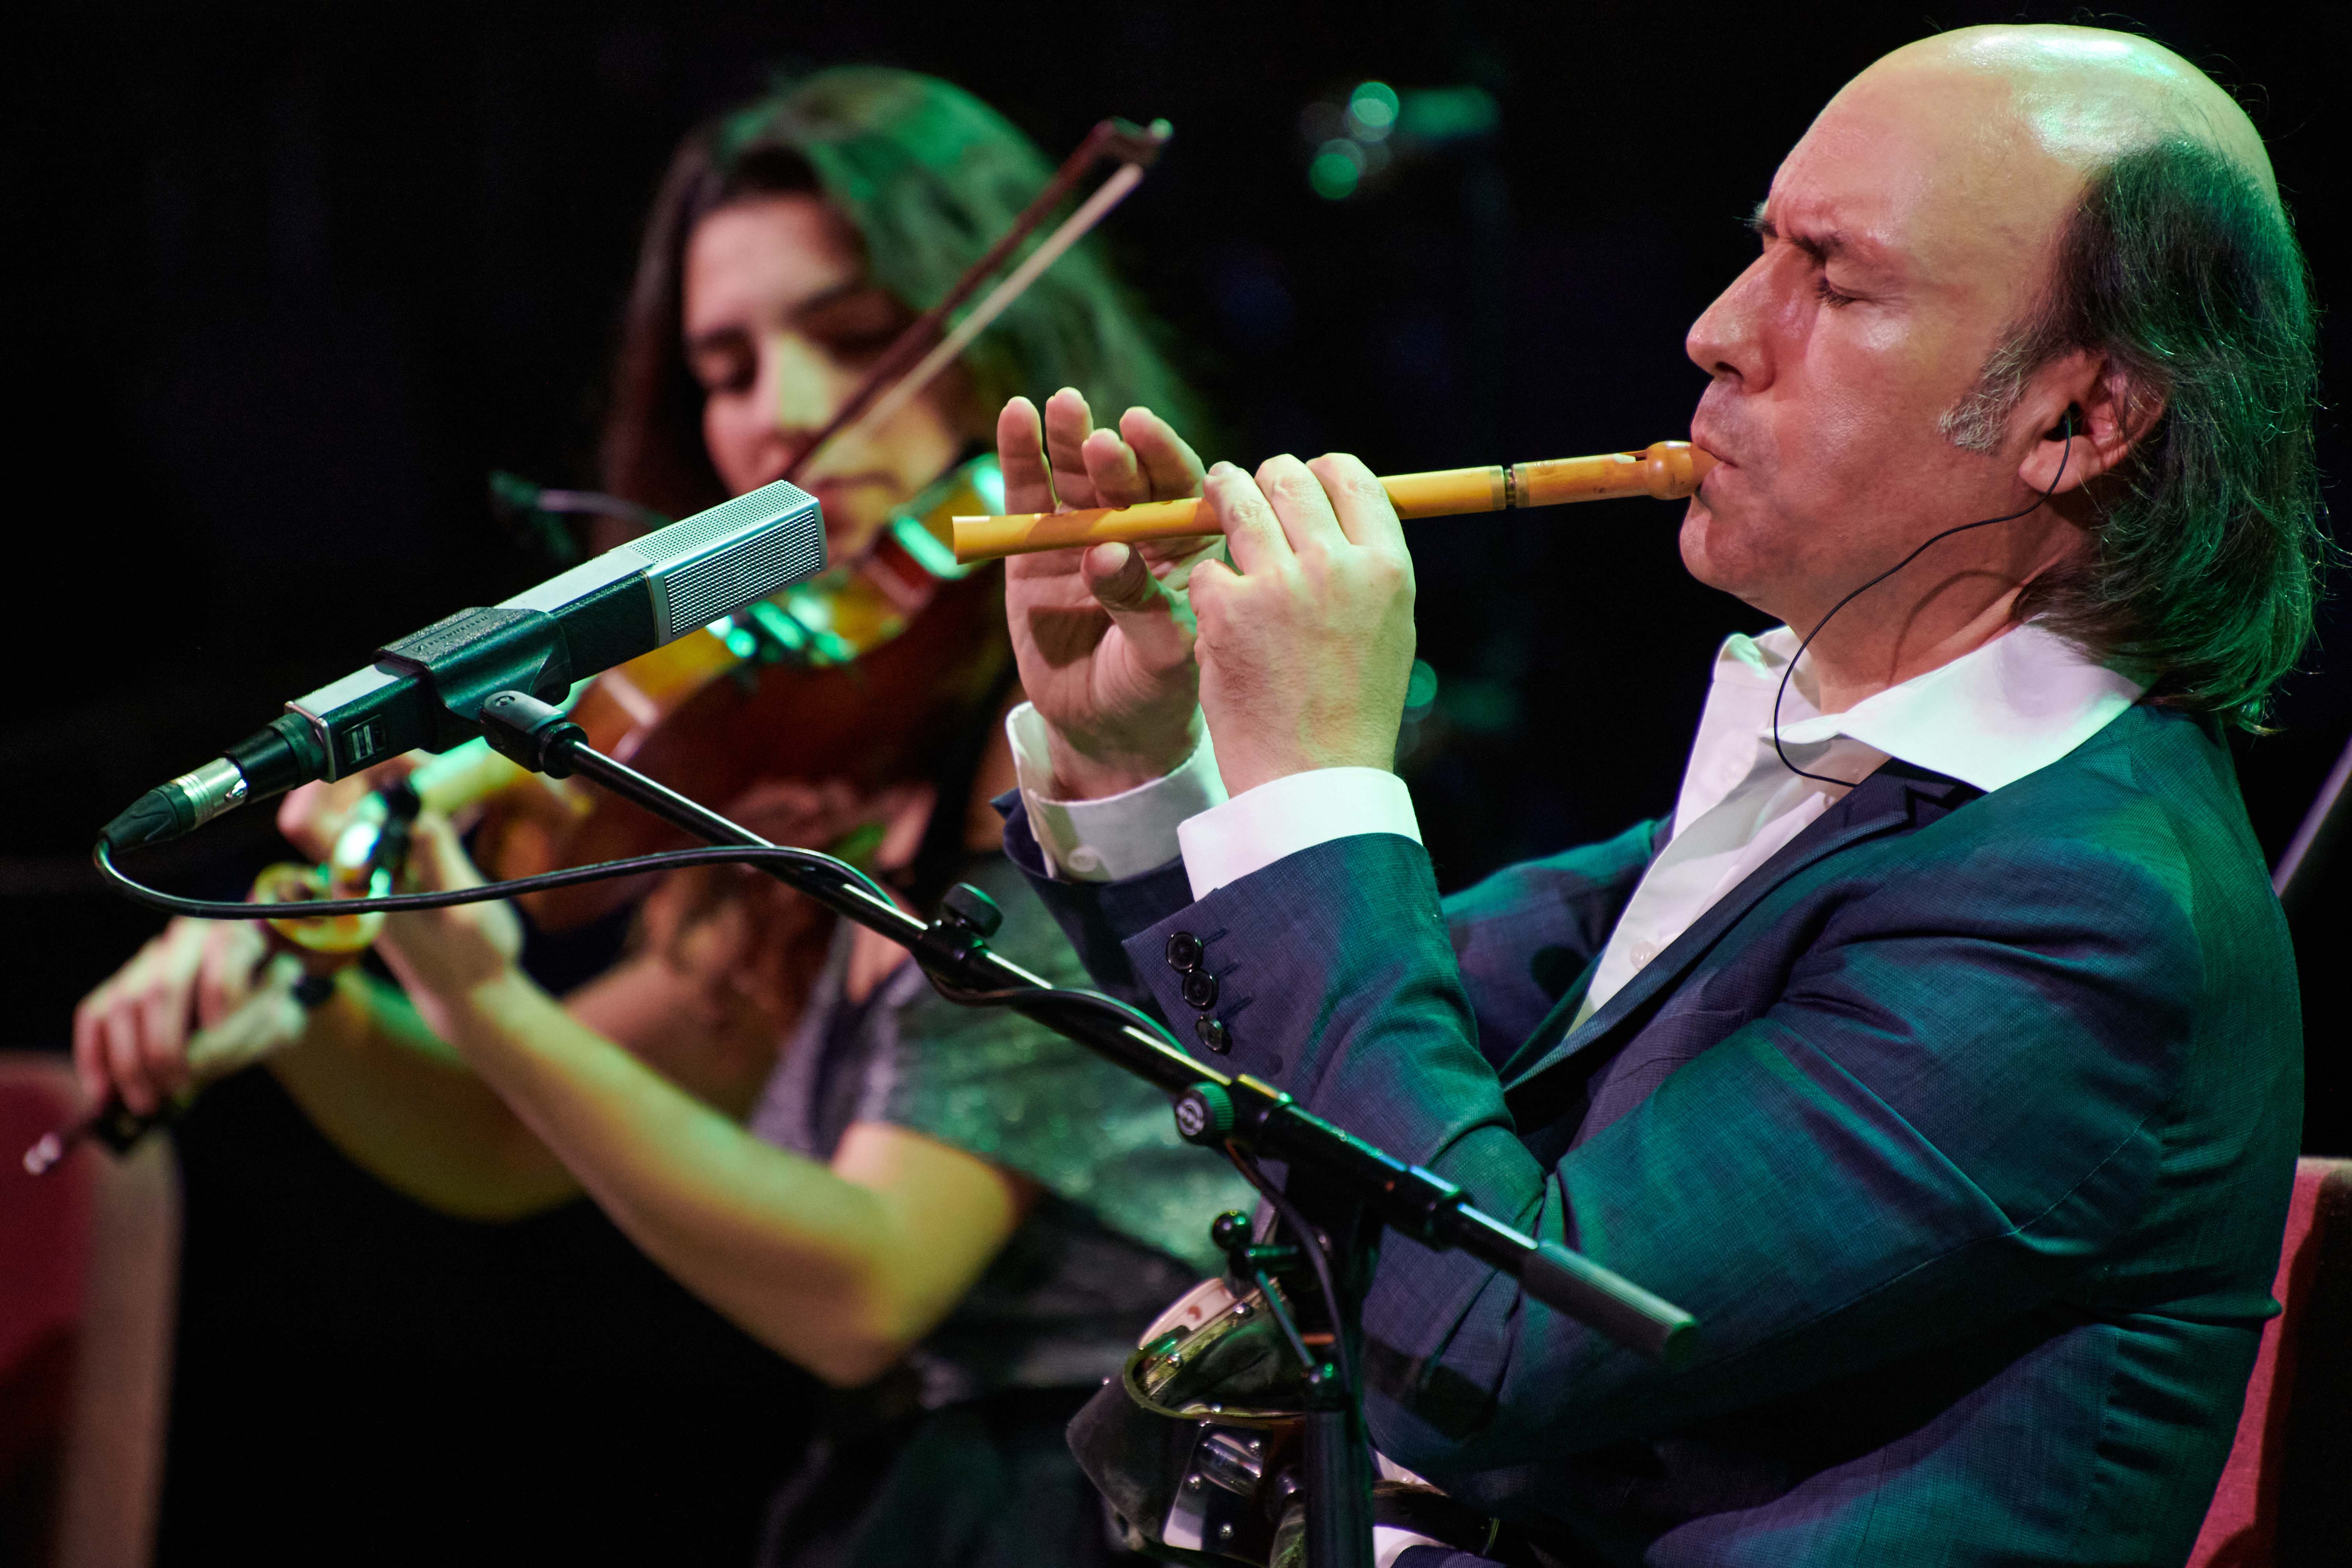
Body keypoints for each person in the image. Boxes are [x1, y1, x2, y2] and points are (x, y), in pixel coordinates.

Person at [989, 24, 2318, 1567]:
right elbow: (1318, 1069)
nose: (1718, 331)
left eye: (1836, 283)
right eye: (1763, 250)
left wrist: (1323, 780)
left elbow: (1479, 1338)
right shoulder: (1853, 793)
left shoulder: (2087, 917)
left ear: (2080, 420)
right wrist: (1140, 759)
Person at [75, 67, 1251, 1565]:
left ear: (1013, 351)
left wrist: (485, 995)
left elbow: (865, 1288)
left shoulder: (1100, 734)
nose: (783, 419)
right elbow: (506, 1139)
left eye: (854, 338)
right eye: (727, 368)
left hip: (1112, 1506)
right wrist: (304, 1007)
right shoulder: (837, 793)